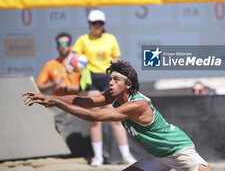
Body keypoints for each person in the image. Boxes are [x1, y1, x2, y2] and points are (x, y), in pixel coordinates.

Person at [23, 60, 213, 171]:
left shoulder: (138, 104)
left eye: (116, 80)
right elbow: (83, 101)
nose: (111, 83)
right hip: (158, 156)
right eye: (110, 79)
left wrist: (57, 103)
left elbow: (94, 117)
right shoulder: (112, 96)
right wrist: (51, 97)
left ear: (128, 85)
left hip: (180, 149)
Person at [72, 9, 135, 166]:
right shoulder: (83, 39)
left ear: (104, 24)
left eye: (100, 23)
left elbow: (116, 58)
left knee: (116, 118)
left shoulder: (110, 38)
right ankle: (98, 157)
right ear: (89, 24)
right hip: (91, 78)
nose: (97, 26)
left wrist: (118, 77)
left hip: (108, 78)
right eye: (94, 23)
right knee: (95, 119)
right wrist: (75, 64)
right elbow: (74, 58)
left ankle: (126, 155)